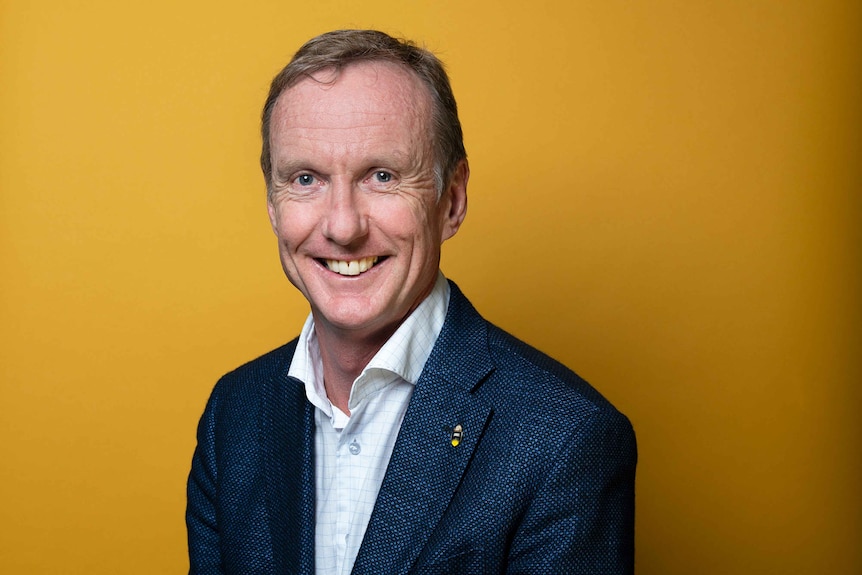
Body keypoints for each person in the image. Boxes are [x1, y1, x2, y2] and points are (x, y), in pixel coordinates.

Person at [187, 29, 636, 575]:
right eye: (306, 179)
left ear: (452, 199)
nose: (343, 227)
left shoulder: (565, 437)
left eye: (382, 176)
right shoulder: (233, 414)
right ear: (273, 205)